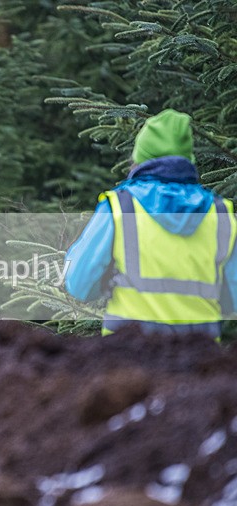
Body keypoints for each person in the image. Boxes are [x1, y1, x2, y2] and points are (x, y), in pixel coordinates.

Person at [64, 108, 237, 339]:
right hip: (200, 358)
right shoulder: (220, 213)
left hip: (130, 354)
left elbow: (79, 285)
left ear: (139, 159)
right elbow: (232, 298)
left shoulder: (120, 206)